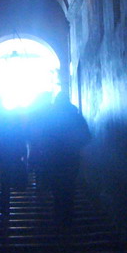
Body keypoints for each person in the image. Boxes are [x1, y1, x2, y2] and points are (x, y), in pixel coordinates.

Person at [33, 91, 91, 228]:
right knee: (69, 186)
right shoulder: (76, 117)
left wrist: (45, 150)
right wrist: (74, 146)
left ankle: (58, 216)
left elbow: (42, 137)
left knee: (57, 187)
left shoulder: (50, 118)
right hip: (71, 157)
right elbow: (87, 137)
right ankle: (68, 217)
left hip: (53, 158)